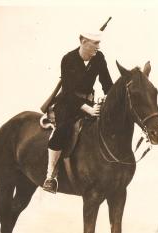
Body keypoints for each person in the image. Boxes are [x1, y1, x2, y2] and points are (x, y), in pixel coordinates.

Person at [42, 31, 113, 193]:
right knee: (64, 129)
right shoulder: (68, 59)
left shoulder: (99, 58)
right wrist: (88, 109)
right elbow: (68, 93)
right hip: (67, 104)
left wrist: (107, 99)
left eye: (98, 43)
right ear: (83, 41)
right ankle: (50, 176)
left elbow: (107, 84)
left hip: (90, 103)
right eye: (95, 43)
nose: (98, 47)